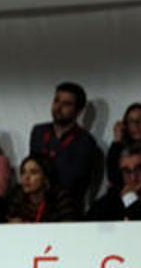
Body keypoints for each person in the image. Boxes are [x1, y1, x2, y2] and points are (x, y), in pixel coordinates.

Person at [28, 82, 101, 213]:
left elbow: (73, 181)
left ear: (79, 110)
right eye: (56, 101)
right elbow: (31, 168)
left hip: (66, 209)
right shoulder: (38, 132)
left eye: (67, 104)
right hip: (34, 206)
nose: (58, 107)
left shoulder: (85, 141)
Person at [7, 155, 78, 223]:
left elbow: (69, 226)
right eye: (23, 172)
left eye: (33, 172)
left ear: (45, 178)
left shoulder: (61, 197)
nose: (26, 178)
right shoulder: (17, 195)